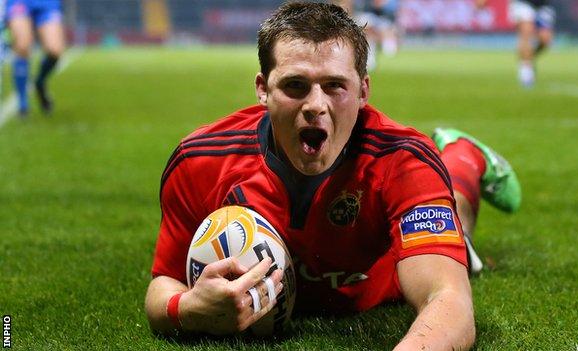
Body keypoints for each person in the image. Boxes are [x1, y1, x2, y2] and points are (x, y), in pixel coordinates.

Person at [145, 2, 521, 350]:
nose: (315, 106)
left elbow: (449, 302)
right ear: (263, 89)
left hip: (388, 281)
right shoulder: (200, 161)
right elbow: (163, 285)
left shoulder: (404, 161)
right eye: (295, 85)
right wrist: (188, 308)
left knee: (461, 238)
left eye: (335, 86)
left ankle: (464, 157)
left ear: (363, 91)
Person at [6, 0, 65, 116]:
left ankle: (40, 82)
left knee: (55, 50)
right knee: (22, 45)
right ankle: (23, 102)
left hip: (47, 3)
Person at [477, 0, 555, 87]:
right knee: (526, 32)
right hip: (522, 3)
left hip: (542, 5)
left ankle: (528, 58)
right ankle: (526, 72)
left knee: (545, 39)